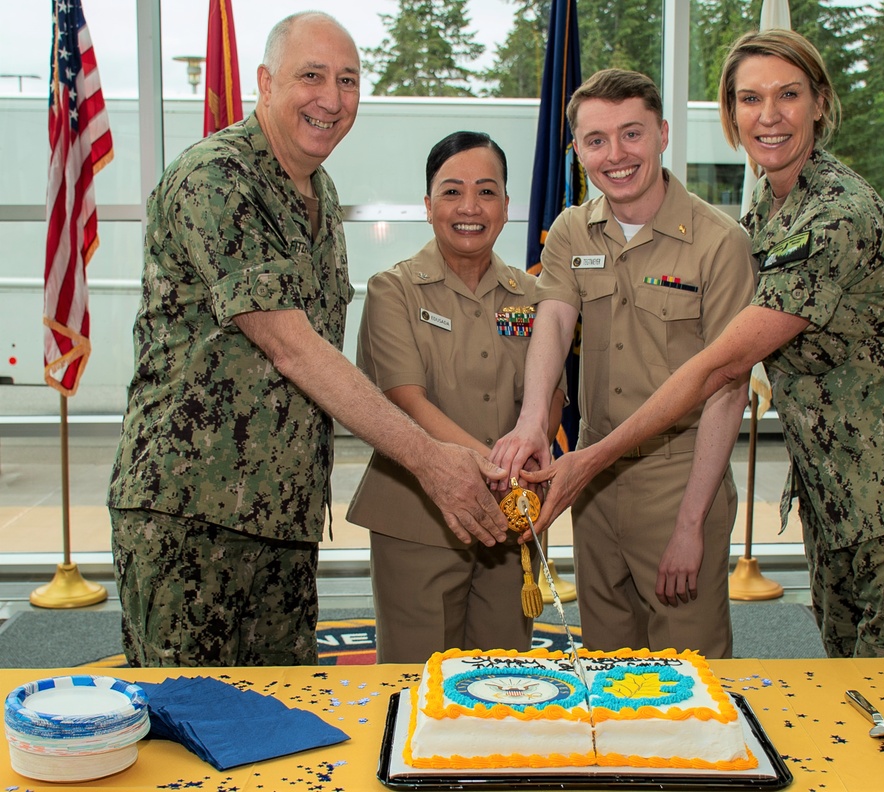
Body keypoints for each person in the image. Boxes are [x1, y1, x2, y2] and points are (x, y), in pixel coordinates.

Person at [516, 30, 884, 659]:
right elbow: (557, 314)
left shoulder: (834, 214)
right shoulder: (769, 200)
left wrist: (593, 461)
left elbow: (725, 365)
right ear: (732, 114)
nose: (769, 115)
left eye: (788, 95)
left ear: (819, 102)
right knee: (847, 672)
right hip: (833, 481)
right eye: (749, 98)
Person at [106, 13, 509, 668]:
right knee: (190, 736)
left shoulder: (318, 193)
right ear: (265, 83)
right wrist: (432, 461)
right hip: (192, 517)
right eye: (311, 76)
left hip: (281, 521)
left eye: (347, 80)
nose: (331, 98)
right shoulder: (217, 179)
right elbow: (291, 346)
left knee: (277, 729)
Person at [490, 69, 757, 658]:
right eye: (595, 140)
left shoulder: (719, 242)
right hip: (593, 473)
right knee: (608, 664)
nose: (615, 155)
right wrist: (534, 421)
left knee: (689, 668)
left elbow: (729, 389)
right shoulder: (570, 230)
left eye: (631, 134)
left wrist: (692, 524)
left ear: (662, 134)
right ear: (578, 151)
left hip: (681, 477)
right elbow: (553, 321)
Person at [346, 132, 566, 663]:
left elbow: (550, 397)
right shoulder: (392, 290)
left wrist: (522, 467)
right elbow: (406, 401)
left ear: (508, 207)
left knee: (504, 678)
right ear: (427, 206)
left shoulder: (534, 296)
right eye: (451, 192)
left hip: (509, 521)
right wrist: (500, 469)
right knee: (416, 680)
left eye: (487, 192)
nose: (470, 207)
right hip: (418, 517)